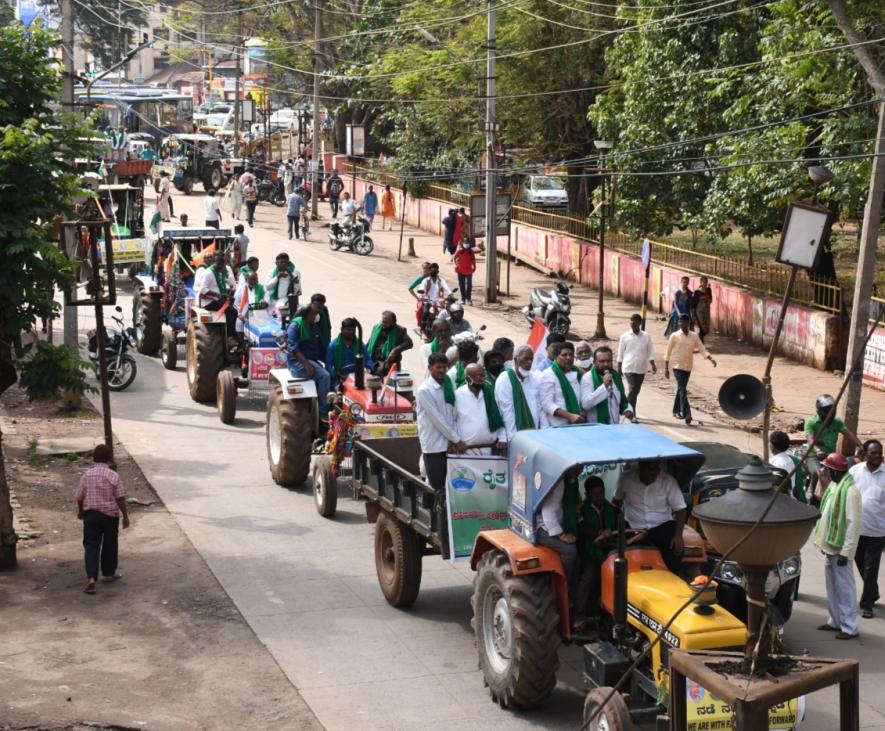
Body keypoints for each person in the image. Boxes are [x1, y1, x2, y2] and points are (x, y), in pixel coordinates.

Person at [814, 452, 862, 639]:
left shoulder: (850, 491)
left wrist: (846, 552)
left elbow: (853, 524)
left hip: (840, 550)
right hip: (830, 546)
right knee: (833, 586)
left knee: (845, 588)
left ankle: (850, 628)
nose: (825, 471)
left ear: (834, 471)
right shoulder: (834, 486)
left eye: (827, 469)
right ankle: (835, 621)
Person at [75, 443, 130, 595]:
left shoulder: (87, 475)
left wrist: (81, 512)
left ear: (94, 458)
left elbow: (79, 496)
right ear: (108, 458)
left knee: (91, 545)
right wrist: (125, 516)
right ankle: (108, 573)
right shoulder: (113, 475)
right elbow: (120, 498)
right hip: (110, 515)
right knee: (110, 544)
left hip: (91, 515)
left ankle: (91, 578)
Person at [614, 460, 687, 574]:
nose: (653, 472)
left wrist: (678, 536)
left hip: (662, 527)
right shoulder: (626, 478)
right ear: (640, 467)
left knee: (675, 549)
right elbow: (616, 502)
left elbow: (681, 509)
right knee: (623, 559)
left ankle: (674, 579)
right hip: (634, 529)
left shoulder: (668, 481)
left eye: (656, 468)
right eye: (649, 469)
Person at [415, 352, 466, 492]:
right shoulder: (424, 390)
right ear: (430, 368)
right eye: (438, 367)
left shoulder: (449, 385)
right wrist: (456, 439)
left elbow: (454, 414)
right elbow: (438, 420)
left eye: (444, 367)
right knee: (437, 486)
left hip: (450, 444)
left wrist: (455, 439)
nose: (442, 370)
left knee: (453, 485)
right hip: (434, 445)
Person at [848, 439, 885, 619]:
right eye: (874, 453)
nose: (878, 456)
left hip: (877, 531)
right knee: (860, 562)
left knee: (871, 568)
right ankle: (873, 592)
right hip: (856, 529)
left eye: (880, 453)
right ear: (865, 454)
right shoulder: (855, 471)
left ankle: (867, 605)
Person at [536, 468, 582, 610]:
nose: (579, 470)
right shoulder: (559, 483)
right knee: (570, 551)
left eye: (581, 467)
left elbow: (575, 504)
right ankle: (564, 585)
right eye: (576, 467)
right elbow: (548, 513)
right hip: (545, 528)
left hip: (561, 523)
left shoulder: (572, 481)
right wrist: (562, 536)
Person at [575, 476, 619, 621]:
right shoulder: (581, 510)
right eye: (595, 494)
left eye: (601, 492)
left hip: (611, 551)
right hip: (589, 552)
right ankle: (579, 616)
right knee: (589, 576)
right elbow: (583, 528)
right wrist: (599, 533)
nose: (599, 497)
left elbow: (622, 527)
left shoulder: (613, 509)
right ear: (587, 494)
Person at [664, 314, 717, 425]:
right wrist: (666, 368)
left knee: (681, 389)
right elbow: (668, 352)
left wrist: (710, 358)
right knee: (682, 389)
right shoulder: (674, 336)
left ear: (688, 323)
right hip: (677, 366)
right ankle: (687, 414)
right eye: (680, 322)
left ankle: (676, 410)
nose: (681, 324)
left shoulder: (694, 336)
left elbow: (702, 348)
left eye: (684, 322)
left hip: (688, 366)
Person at [287, 295, 332, 410]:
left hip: (311, 361)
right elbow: (294, 349)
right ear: (305, 315)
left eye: (315, 314)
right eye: (313, 314)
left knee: (332, 373)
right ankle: (324, 409)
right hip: (298, 364)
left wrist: (332, 363)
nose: (315, 316)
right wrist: (307, 365)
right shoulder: (295, 326)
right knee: (325, 376)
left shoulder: (314, 327)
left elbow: (321, 347)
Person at [455, 363, 507, 456]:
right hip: (466, 450)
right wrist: (456, 441)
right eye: (478, 376)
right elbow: (452, 420)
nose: (482, 378)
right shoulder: (458, 395)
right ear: (468, 379)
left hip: (490, 449)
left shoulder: (490, 393)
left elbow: (499, 417)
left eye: (483, 375)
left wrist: (503, 438)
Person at [495, 344, 540, 438]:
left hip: (535, 432)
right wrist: (511, 438)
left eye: (531, 359)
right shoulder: (505, 378)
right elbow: (506, 412)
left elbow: (540, 406)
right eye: (526, 359)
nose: (529, 362)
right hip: (515, 435)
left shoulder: (534, 378)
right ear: (515, 360)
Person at [617, 314, 656, 420]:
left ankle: (626, 407)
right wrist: (619, 368)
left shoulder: (646, 336)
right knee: (633, 388)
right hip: (628, 367)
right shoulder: (625, 336)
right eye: (631, 321)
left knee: (635, 391)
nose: (632, 323)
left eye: (634, 321)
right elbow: (620, 352)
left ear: (639, 323)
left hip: (641, 368)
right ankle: (631, 413)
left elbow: (650, 351)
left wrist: (653, 364)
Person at [581, 345, 633, 424]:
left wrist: (627, 410)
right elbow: (586, 404)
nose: (606, 364)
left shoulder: (616, 376)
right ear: (594, 362)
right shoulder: (587, 378)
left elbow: (623, 400)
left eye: (609, 361)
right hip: (596, 426)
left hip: (614, 425)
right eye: (602, 361)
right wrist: (604, 386)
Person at [538, 341, 586, 426]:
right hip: (557, 426)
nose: (568, 358)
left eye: (571, 355)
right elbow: (547, 404)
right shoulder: (548, 375)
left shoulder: (578, 373)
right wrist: (569, 416)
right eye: (564, 355)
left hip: (577, 423)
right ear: (556, 356)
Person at [326, 317, 373, 386]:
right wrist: (335, 375)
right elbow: (328, 365)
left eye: (353, 330)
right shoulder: (333, 345)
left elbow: (368, 358)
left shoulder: (360, 345)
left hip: (356, 377)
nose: (351, 332)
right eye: (348, 330)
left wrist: (369, 369)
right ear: (342, 330)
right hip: (340, 378)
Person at [367, 311, 414, 378]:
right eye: (382, 321)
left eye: (385, 322)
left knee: (378, 372)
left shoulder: (400, 330)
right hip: (374, 359)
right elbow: (369, 343)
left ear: (393, 322)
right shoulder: (376, 327)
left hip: (388, 362)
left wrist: (395, 351)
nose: (382, 323)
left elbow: (409, 343)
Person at [769, 430, 806, 502]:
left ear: (772, 446)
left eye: (769, 442)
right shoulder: (790, 460)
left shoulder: (776, 464)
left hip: (780, 501)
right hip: (792, 498)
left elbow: (776, 488)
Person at [233, 270, 266, 347]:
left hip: (259, 312)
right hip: (244, 313)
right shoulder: (241, 289)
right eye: (251, 279)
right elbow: (235, 304)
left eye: (255, 279)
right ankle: (243, 345)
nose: (253, 281)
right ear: (246, 279)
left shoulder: (262, 288)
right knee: (238, 323)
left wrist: (264, 301)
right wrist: (239, 314)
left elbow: (267, 299)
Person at [420, 263, 453, 331]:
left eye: (435, 269)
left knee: (446, 311)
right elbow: (422, 288)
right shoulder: (426, 280)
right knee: (425, 312)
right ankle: (422, 329)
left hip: (439, 301)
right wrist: (421, 295)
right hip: (428, 301)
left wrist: (450, 293)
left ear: (437, 271)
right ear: (429, 271)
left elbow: (447, 287)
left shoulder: (441, 280)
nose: (433, 271)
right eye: (432, 269)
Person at [453, 239, 476, 305]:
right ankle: (463, 298)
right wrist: (455, 265)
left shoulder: (471, 252)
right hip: (460, 270)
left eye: (467, 243)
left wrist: (474, 267)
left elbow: (473, 260)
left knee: (469, 285)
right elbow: (454, 258)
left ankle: (468, 299)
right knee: (461, 285)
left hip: (469, 270)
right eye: (465, 243)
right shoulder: (459, 251)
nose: (466, 245)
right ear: (463, 244)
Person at [408, 262, 432, 328]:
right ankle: (421, 325)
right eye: (424, 268)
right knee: (420, 309)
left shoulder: (433, 277)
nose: (426, 269)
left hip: (432, 298)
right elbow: (410, 288)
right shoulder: (420, 278)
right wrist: (417, 297)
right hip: (422, 298)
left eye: (428, 268)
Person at [692, 276, 714, 343]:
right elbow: (693, 304)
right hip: (699, 313)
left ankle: (698, 340)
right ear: (701, 282)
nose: (705, 283)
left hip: (707, 312)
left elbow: (711, 300)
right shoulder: (697, 292)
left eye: (706, 282)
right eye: (704, 282)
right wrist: (693, 315)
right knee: (702, 328)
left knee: (706, 330)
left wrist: (708, 299)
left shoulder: (709, 290)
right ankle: (701, 344)